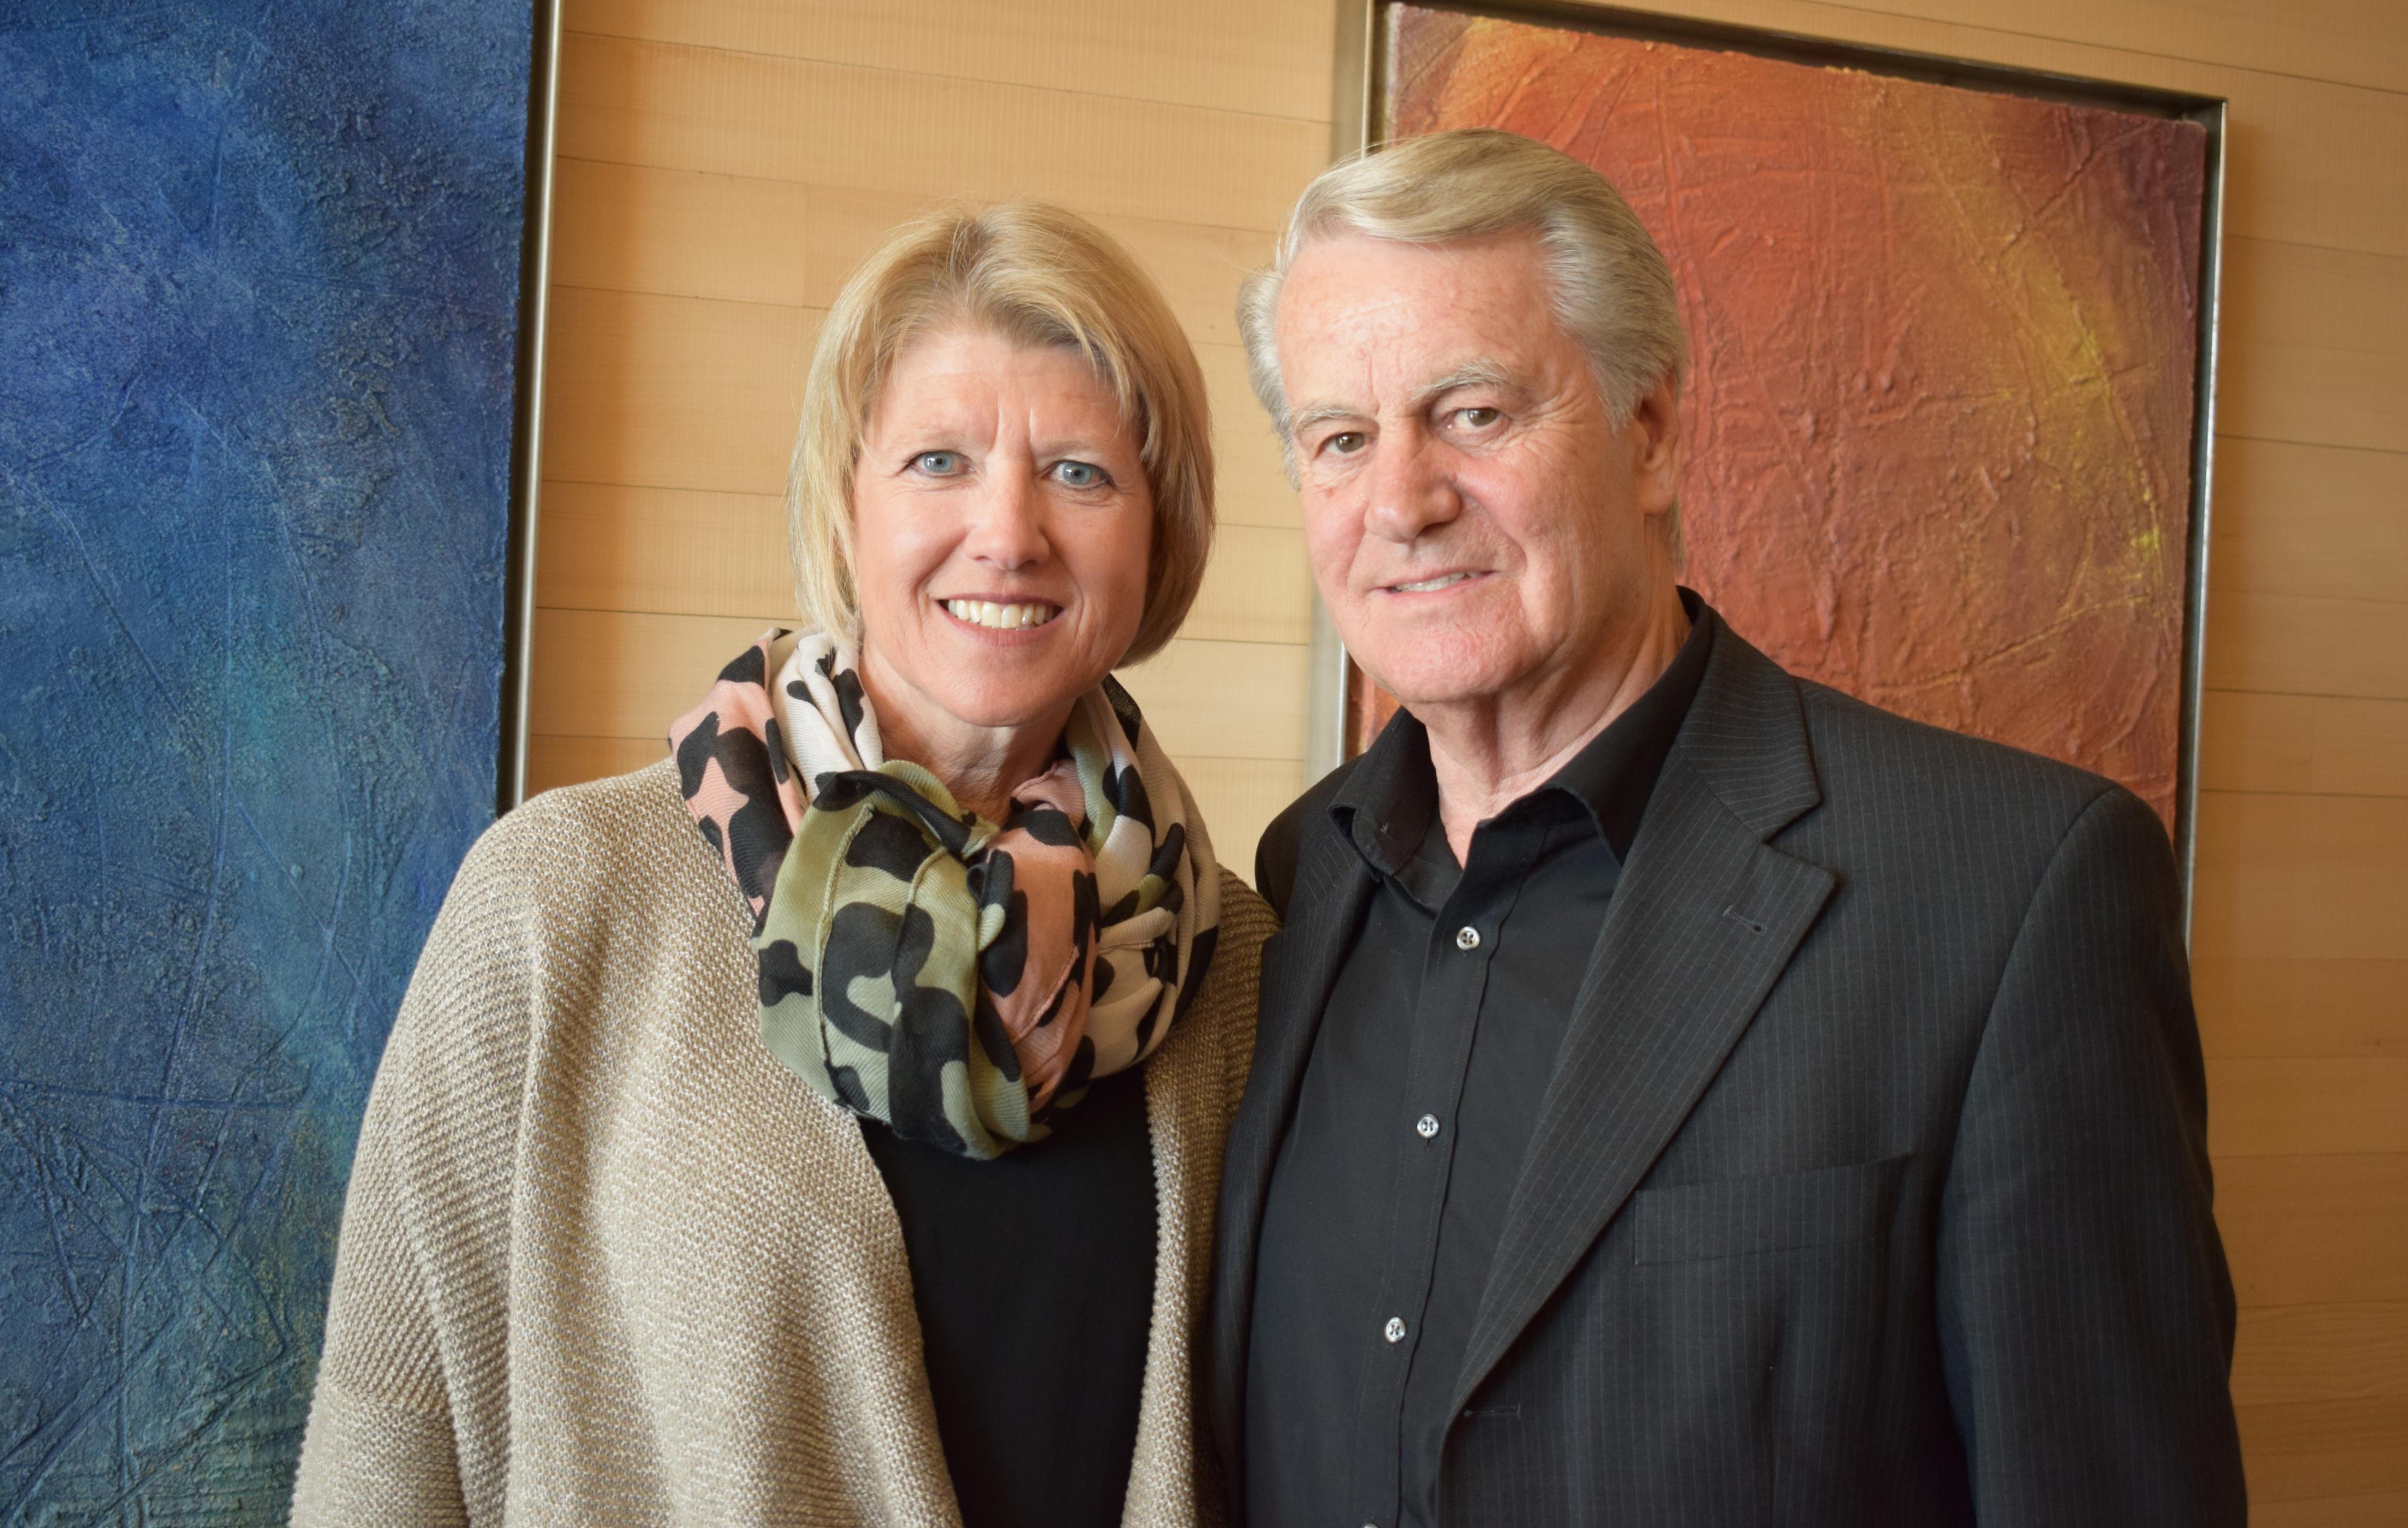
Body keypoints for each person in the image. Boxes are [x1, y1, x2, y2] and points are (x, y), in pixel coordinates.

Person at [1208, 129, 2245, 1527]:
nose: (1400, 501)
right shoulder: (1298, 881)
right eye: (1340, 439)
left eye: (1474, 413)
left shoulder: (2010, 896)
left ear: (1647, 433)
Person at [292, 203, 1275, 1527]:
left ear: (1160, 532)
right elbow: (387, 1448)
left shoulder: (1230, 967)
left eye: (1080, 473)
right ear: (847, 502)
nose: (1008, 532)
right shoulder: (560, 900)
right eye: (938, 460)